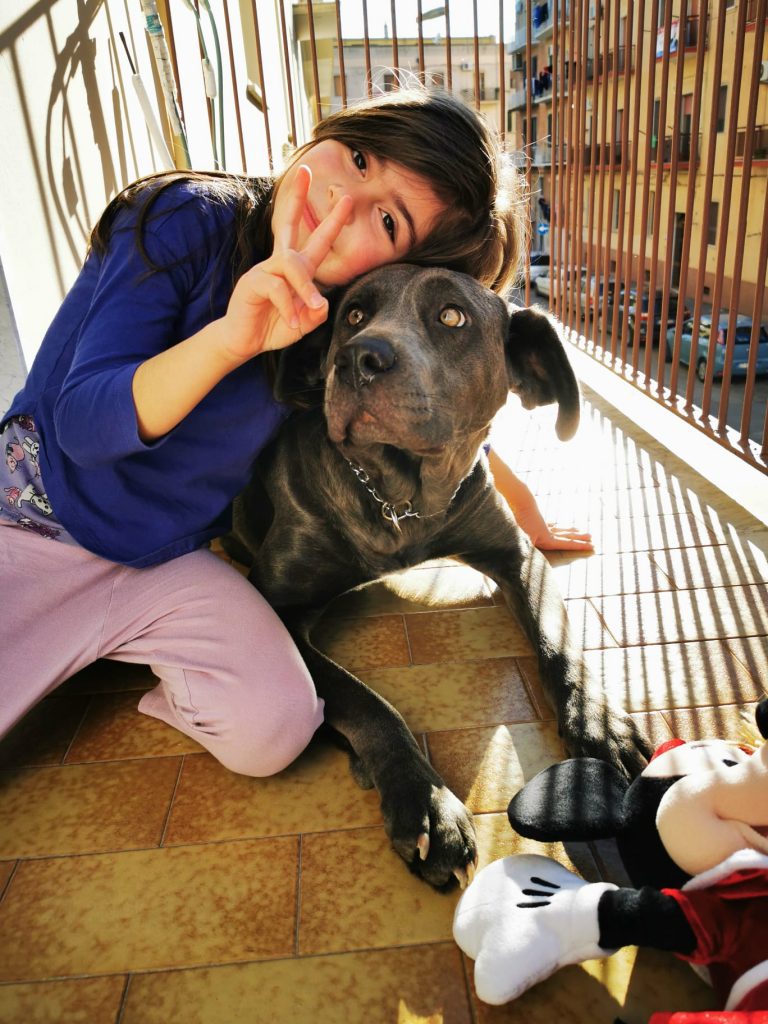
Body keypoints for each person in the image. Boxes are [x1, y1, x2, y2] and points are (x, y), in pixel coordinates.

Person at [0, 86, 587, 776]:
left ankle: (139, 663)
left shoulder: (343, 318)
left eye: (389, 222)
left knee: (275, 733)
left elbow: (442, 411)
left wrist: (522, 516)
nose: (342, 199)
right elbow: (85, 428)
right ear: (333, 129)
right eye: (362, 157)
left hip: (168, 558)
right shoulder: (188, 218)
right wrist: (231, 339)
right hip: (37, 520)